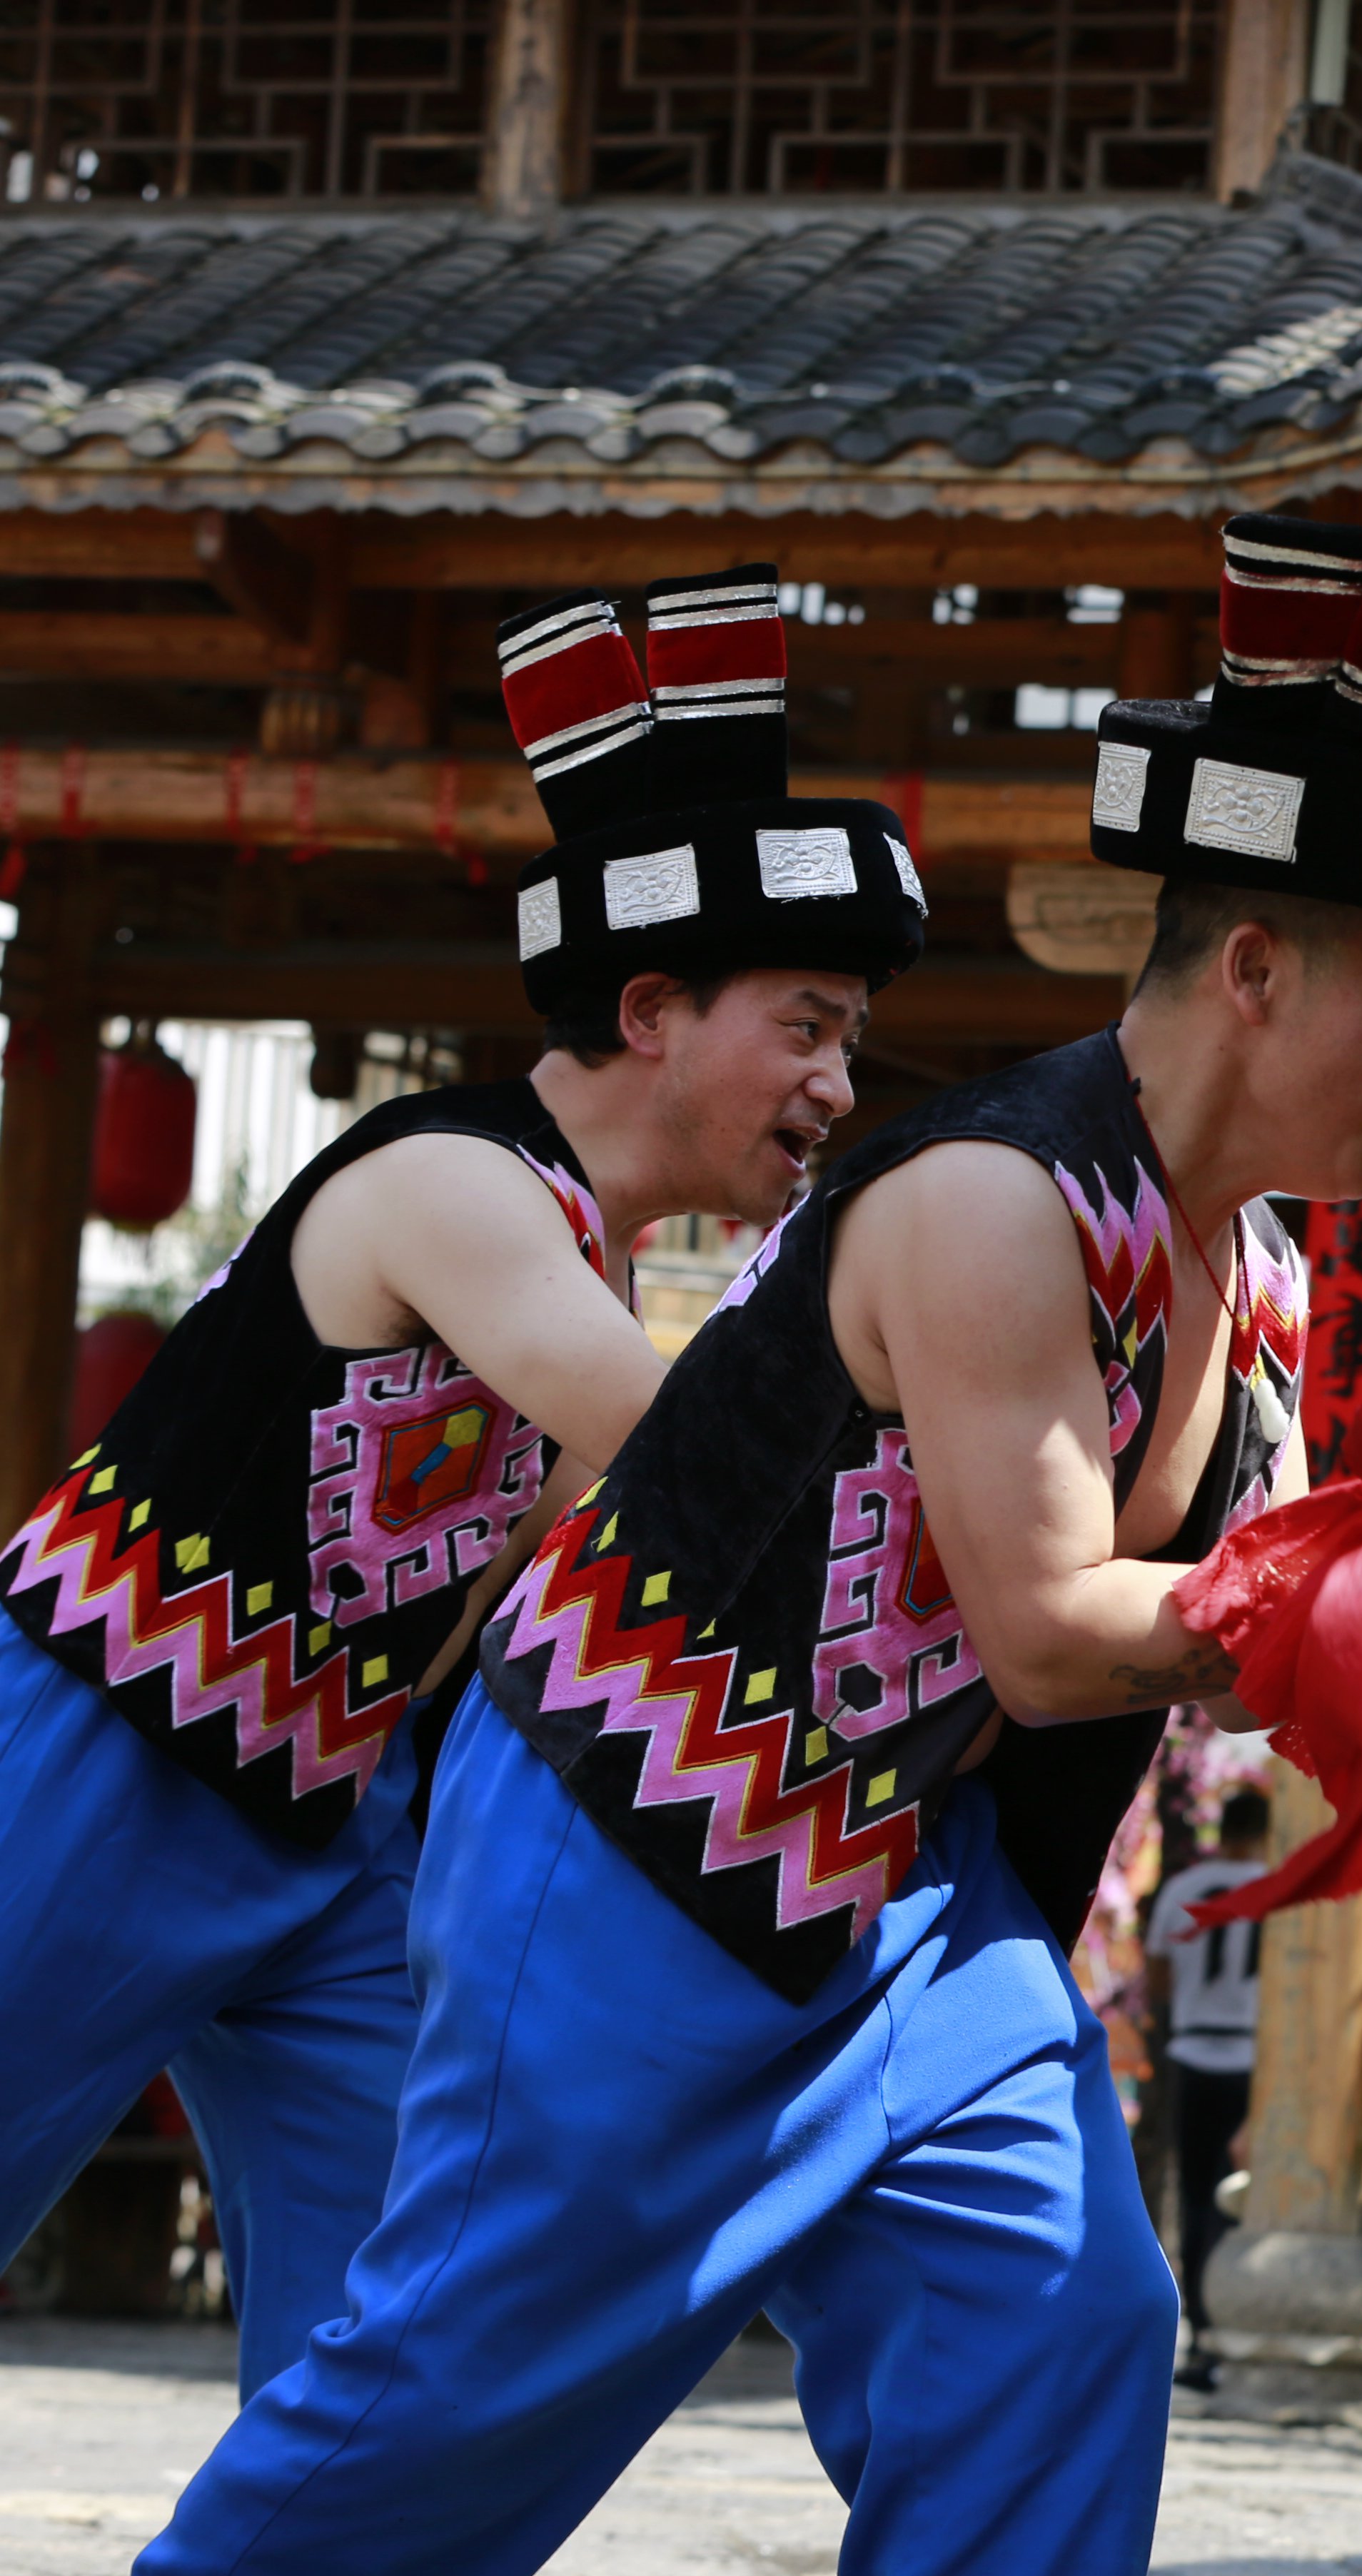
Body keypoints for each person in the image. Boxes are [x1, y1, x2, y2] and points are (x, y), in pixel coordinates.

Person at [135, 515, 1362, 2576]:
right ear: (1260, 970)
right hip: (636, 1846)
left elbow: (1238, 1595)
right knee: (454, 2417)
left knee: (1057, 2328)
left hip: (910, 1898)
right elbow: (1044, 1631)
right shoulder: (996, 1204)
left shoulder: (1252, 1267)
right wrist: (1332, 1607)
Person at [0, 561, 915, 2398]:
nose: (836, 1082)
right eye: (805, 1026)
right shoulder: (454, 1184)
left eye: (845, 1040)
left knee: (393, 2344)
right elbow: (685, 1446)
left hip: (327, 1833)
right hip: (96, 1756)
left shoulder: (575, 1241)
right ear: (650, 1009)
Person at [1151, 1782, 1274, 2390]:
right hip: (1258, 2055)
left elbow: (1159, 1979)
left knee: (1198, 2196)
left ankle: (1201, 2333)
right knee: (1245, 2197)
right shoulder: (1286, 1884)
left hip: (1195, 2048)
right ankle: (1235, 2328)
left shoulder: (1182, 1888)